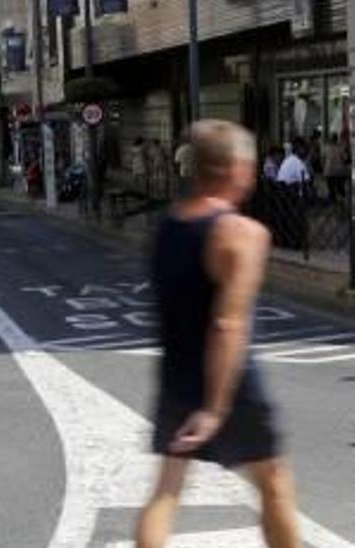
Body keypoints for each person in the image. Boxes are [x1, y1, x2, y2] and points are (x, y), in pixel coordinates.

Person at [134, 120, 299, 548]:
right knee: (275, 484)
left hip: (175, 377)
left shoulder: (166, 226)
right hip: (232, 383)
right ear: (232, 169)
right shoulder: (242, 234)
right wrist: (215, 408)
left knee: (167, 491)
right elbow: (229, 324)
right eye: (248, 163)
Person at [321, 134, 347, 204]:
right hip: (340, 171)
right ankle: (341, 200)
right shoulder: (341, 147)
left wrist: (323, 169)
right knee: (339, 187)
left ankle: (334, 200)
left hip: (329, 170)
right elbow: (345, 158)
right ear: (336, 139)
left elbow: (322, 159)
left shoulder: (326, 147)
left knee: (331, 187)